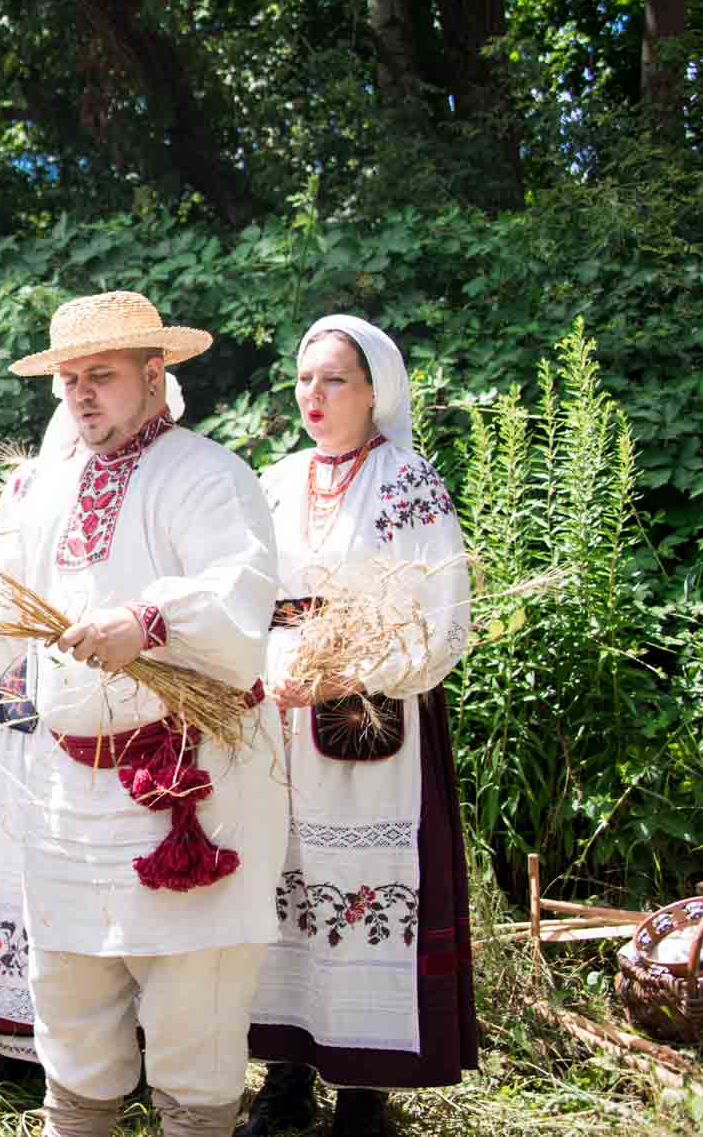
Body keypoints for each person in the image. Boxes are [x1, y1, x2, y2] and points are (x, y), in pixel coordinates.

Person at [0, 292, 283, 1137]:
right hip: (67, 793)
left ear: (155, 376)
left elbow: (240, 601)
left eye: (103, 376)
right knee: (73, 1017)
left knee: (196, 1018)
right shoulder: (45, 489)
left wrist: (148, 622)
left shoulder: (207, 475)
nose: (81, 394)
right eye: (70, 379)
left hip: (190, 788)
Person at [240, 316, 477, 1137]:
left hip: (368, 722)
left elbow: (440, 616)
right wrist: (267, 667)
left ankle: (363, 1093)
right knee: (285, 885)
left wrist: (355, 670)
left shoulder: (406, 480)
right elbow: (250, 595)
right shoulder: (275, 480)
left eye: (334, 379)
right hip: (284, 719)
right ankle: (284, 1078)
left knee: (362, 892)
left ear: (376, 391)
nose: (315, 395)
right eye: (305, 379)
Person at [0, 373, 187, 1082]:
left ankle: (109, 1057)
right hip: (25, 695)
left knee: (108, 876)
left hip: (120, 708)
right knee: (11, 850)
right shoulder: (34, 486)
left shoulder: (174, 485)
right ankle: (8, 1035)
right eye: (75, 389)